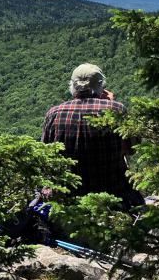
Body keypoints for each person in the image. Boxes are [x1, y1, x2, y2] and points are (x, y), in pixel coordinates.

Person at [42, 63, 131, 198]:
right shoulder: (117, 110)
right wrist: (111, 105)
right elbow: (130, 149)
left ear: (72, 86)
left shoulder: (54, 113)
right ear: (101, 85)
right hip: (112, 195)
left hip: (66, 196)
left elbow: (46, 155)